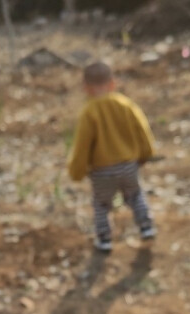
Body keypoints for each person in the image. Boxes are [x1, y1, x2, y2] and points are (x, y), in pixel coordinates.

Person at [66, 61, 156, 253]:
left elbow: (82, 145)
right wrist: (146, 153)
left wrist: (77, 171)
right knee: (134, 195)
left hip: (102, 170)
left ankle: (105, 239)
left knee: (101, 203)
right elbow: (142, 130)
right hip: (128, 165)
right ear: (113, 83)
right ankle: (146, 226)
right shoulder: (125, 104)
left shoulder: (89, 112)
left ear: (86, 88)